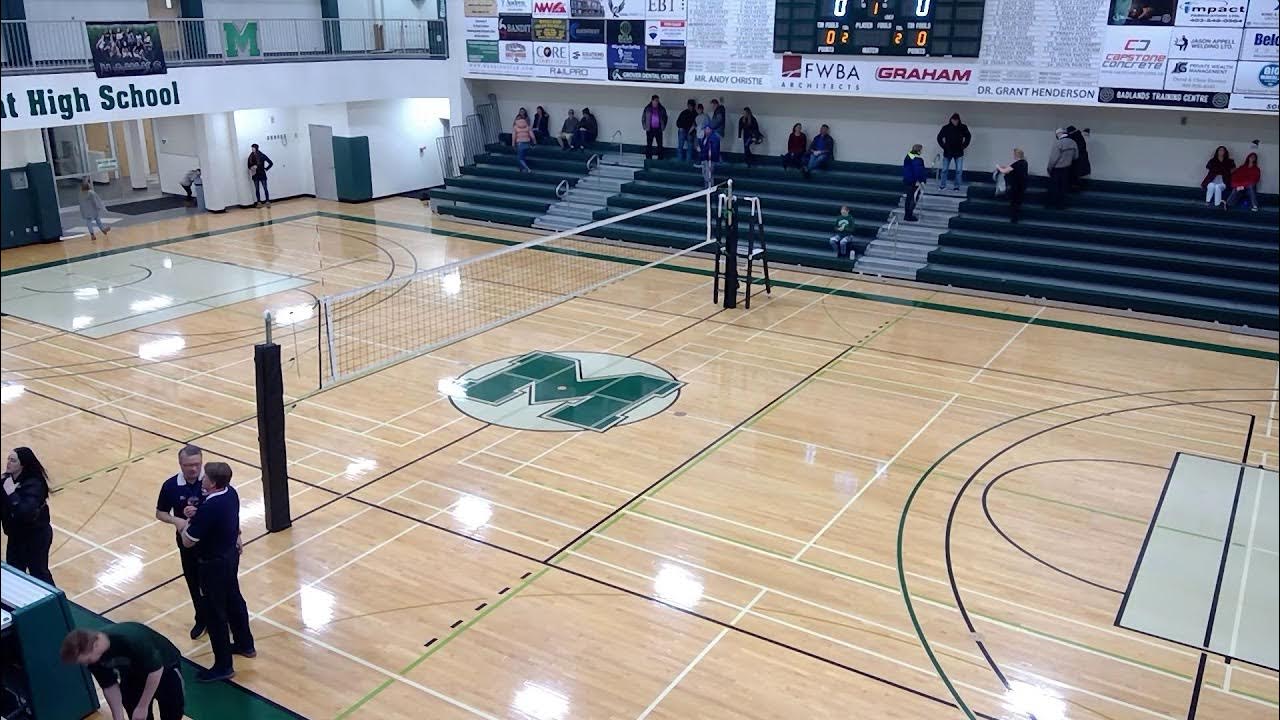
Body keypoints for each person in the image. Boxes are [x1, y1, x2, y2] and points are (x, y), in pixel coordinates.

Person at [181, 461, 254, 682]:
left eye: (205, 478)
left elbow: (188, 541)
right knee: (234, 599)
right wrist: (196, 512)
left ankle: (223, 666)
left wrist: (185, 522)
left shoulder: (210, 508)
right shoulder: (230, 493)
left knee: (215, 613)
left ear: (212, 483)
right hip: (230, 556)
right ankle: (245, 644)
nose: (201, 479)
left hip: (212, 565)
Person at [61, 622, 185, 720]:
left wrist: (143, 706)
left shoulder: (131, 639)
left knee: (172, 711)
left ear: (95, 646)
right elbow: (109, 686)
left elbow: (156, 670)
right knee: (135, 711)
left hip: (165, 669)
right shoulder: (93, 659)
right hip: (132, 675)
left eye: (87, 659)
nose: (86, 664)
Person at [155, 445, 207, 640]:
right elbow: (160, 513)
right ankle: (201, 619)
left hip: (211, 543)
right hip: (187, 544)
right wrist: (175, 520)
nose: (193, 469)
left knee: (217, 583)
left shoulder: (210, 481)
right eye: (188, 465)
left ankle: (222, 619)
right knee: (194, 582)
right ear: (180, 464)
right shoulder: (170, 486)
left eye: (197, 464)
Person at [2, 447, 55, 586]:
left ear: (22, 464)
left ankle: (55, 604)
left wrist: (11, 493)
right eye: (8, 459)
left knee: (38, 573)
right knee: (14, 571)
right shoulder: (6, 480)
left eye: (13, 460)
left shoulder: (35, 484)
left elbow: (24, 512)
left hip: (36, 537)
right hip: (16, 535)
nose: (8, 463)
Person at [936, 113, 971, 191]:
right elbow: (939, 137)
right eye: (953, 120)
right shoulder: (946, 128)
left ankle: (956, 187)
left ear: (959, 120)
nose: (955, 121)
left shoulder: (963, 127)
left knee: (959, 171)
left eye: (956, 120)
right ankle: (942, 185)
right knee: (944, 170)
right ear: (951, 120)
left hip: (959, 152)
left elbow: (968, 137)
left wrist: (964, 146)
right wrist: (943, 146)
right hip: (947, 151)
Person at [1045, 128, 1077, 210]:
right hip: (1067, 169)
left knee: (1053, 188)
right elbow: (1076, 156)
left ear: (1058, 134)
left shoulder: (1058, 143)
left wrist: (1049, 168)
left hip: (1057, 169)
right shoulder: (1073, 142)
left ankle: (1049, 205)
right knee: (1063, 188)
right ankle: (1061, 206)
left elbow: (1053, 159)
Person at [995, 148, 1029, 223]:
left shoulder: (1016, 164)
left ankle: (1014, 219)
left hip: (1015, 187)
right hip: (1022, 186)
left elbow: (1004, 171)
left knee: (1014, 203)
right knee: (1018, 203)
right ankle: (1016, 218)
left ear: (1016, 155)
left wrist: (998, 166)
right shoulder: (1025, 163)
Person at [902, 144, 928, 222]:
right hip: (914, 181)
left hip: (907, 180)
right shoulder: (917, 159)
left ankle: (907, 214)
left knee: (909, 198)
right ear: (919, 150)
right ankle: (909, 215)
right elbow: (918, 171)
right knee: (913, 198)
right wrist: (922, 181)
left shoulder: (908, 156)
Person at [641, 95, 668, 160]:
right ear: (652, 101)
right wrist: (645, 127)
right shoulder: (647, 108)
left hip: (658, 129)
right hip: (650, 129)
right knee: (649, 144)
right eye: (655, 101)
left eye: (658, 101)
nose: (657, 102)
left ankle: (660, 158)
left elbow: (665, 117)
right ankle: (648, 158)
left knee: (660, 144)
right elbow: (643, 118)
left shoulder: (661, 108)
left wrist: (663, 126)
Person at [1066, 126, 1091, 191]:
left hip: (1076, 161)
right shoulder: (1079, 137)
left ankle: (1074, 187)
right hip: (1081, 161)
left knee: (1074, 175)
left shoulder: (1073, 138)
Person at [698, 124, 721, 189]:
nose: (705, 130)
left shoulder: (714, 138)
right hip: (705, 158)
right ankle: (707, 187)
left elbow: (714, 150)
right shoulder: (705, 137)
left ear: (710, 129)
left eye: (707, 129)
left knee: (709, 174)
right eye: (705, 129)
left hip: (710, 159)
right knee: (705, 173)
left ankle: (709, 188)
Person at [675, 99, 697, 163]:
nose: (690, 107)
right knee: (682, 147)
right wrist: (681, 127)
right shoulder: (689, 113)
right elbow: (678, 123)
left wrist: (682, 127)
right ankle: (682, 161)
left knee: (688, 147)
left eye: (691, 105)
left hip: (689, 132)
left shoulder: (686, 113)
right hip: (686, 131)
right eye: (689, 105)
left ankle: (686, 161)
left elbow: (696, 124)